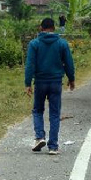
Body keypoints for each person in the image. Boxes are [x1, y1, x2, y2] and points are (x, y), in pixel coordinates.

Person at [25, 18, 76, 155]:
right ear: (54, 28)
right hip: (56, 83)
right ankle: (53, 146)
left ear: (41, 28)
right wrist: (71, 79)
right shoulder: (62, 44)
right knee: (54, 114)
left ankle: (40, 137)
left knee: (37, 110)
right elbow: (69, 64)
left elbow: (30, 65)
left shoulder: (34, 44)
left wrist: (27, 83)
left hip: (40, 82)